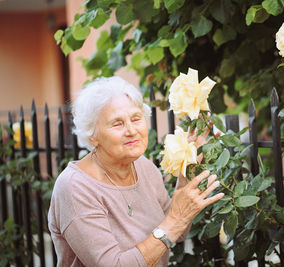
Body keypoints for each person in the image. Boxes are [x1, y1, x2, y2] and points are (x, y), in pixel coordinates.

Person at [48, 76, 224, 267]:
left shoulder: (143, 166)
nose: (131, 130)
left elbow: (176, 232)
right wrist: (175, 219)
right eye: (117, 123)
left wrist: (186, 177)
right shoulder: (75, 186)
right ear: (93, 136)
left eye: (136, 118)